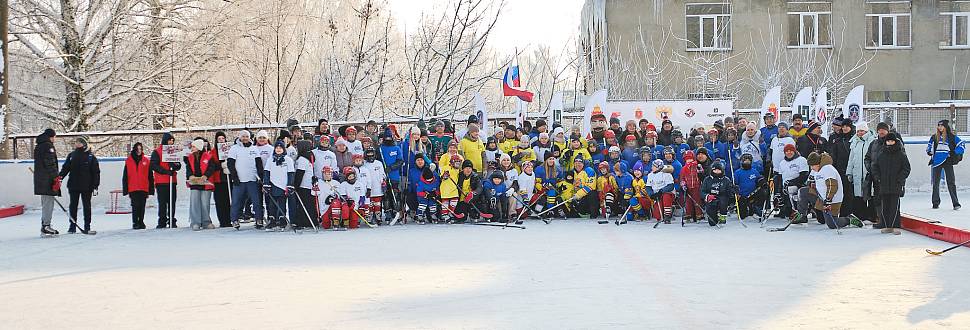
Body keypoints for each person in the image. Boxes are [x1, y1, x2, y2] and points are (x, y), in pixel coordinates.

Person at [870, 132, 911, 235]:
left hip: (896, 185)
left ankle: (895, 226)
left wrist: (900, 179)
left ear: (895, 141)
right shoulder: (881, 153)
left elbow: (906, 168)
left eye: (892, 141)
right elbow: (875, 166)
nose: (890, 143)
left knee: (894, 207)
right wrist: (878, 178)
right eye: (888, 141)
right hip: (884, 184)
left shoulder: (900, 154)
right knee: (885, 206)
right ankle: (886, 225)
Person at [59, 137, 101, 234]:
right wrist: (60, 177)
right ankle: (72, 225)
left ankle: (87, 226)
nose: (77, 144)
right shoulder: (71, 155)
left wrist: (95, 185)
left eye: (79, 142)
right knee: (73, 206)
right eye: (76, 142)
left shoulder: (90, 157)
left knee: (87, 206)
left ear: (84, 144)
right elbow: (65, 168)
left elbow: (96, 172)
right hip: (73, 185)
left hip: (87, 186)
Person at [228, 130, 265, 229]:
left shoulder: (254, 148)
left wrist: (261, 177)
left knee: (256, 201)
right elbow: (230, 164)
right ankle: (234, 219)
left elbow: (258, 164)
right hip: (239, 180)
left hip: (252, 180)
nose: (245, 138)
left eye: (247, 136)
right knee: (236, 201)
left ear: (250, 137)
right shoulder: (234, 149)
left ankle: (259, 219)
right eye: (243, 136)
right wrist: (234, 177)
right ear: (240, 137)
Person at [927, 120, 964, 210]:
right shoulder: (934, 137)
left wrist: (954, 152)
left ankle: (955, 203)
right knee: (935, 183)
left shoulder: (951, 137)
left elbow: (961, 145)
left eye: (941, 125)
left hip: (947, 161)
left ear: (945, 127)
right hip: (936, 162)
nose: (939, 127)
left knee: (951, 183)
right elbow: (929, 146)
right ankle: (935, 203)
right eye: (938, 125)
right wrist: (929, 151)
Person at [184, 138, 217, 231]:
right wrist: (190, 176)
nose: (192, 148)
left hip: (206, 182)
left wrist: (205, 176)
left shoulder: (208, 156)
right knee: (195, 203)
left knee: (205, 203)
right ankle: (195, 222)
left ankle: (206, 221)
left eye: (194, 146)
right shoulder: (190, 157)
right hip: (194, 182)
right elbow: (188, 168)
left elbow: (211, 168)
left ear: (199, 147)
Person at [845, 121, 875, 223]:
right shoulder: (854, 142)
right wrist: (849, 172)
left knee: (870, 194)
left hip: (868, 172)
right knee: (858, 195)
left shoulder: (872, 141)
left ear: (866, 130)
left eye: (862, 131)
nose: (860, 133)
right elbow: (851, 159)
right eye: (858, 131)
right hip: (857, 172)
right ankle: (861, 215)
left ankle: (871, 215)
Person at [150, 132, 182, 228]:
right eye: (170, 140)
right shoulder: (157, 152)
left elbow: (178, 164)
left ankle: (172, 219)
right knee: (162, 202)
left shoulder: (174, 151)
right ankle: (162, 220)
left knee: (172, 202)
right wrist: (166, 171)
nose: (171, 142)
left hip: (172, 181)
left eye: (172, 140)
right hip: (161, 182)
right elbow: (154, 165)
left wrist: (175, 166)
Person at [34, 128, 61, 236]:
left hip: (41, 179)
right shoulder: (48, 146)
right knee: (48, 203)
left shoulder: (39, 146)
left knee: (45, 202)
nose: (55, 139)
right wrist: (56, 178)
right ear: (51, 136)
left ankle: (45, 224)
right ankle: (46, 225)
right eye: (54, 137)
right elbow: (50, 163)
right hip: (47, 180)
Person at [263, 141, 294, 231]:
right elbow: (267, 172)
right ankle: (272, 220)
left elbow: (291, 173)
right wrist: (266, 184)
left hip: (283, 185)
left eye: (280, 148)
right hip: (273, 184)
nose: (278, 149)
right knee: (272, 204)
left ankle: (282, 220)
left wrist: (290, 185)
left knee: (282, 204)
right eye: (277, 148)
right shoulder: (270, 159)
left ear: (283, 149)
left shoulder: (288, 160)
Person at [123, 142, 154, 230]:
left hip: (143, 186)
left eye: (141, 149)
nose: (139, 151)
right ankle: (135, 222)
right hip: (133, 187)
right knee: (135, 205)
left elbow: (150, 176)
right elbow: (125, 176)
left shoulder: (146, 161)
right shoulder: (128, 161)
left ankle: (141, 221)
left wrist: (151, 189)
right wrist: (126, 189)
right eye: (138, 149)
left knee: (142, 205)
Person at [776, 144, 809, 220]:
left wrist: (791, 182)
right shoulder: (782, 163)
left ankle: (799, 213)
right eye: (787, 151)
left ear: (795, 151)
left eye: (791, 151)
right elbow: (780, 178)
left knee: (792, 188)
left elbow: (804, 176)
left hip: (799, 185)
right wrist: (778, 191)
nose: (789, 152)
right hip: (786, 188)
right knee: (786, 213)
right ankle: (789, 210)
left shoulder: (801, 160)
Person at [701, 161, 734, 226]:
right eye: (715, 170)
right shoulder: (707, 179)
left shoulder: (726, 180)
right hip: (711, 198)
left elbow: (729, 192)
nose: (716, 172)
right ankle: (713, 217)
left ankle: (722, 217)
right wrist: (707, 196)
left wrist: (733, 190)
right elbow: (702, 191)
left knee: (723, 201)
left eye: (718, 170)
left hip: (722, 198)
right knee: (712, 223)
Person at [211, 132, 232, 227]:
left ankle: (229, 219)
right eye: (219, 139)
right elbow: (211, 165)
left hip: (228, 179)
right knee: (220, 201)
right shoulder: (212, 152)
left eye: (223, 138)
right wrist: (221, 165)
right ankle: (223, 221)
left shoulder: (230, 150)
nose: (221, 140)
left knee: (228, 200)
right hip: (218, 180)